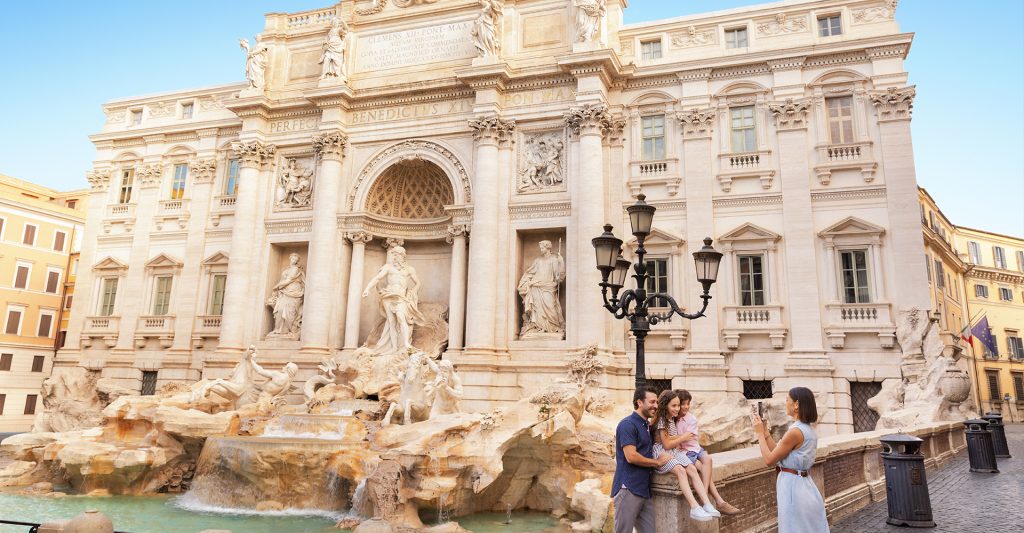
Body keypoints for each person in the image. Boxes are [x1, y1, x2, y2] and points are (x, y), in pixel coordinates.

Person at [750, 387, 829, 533]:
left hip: (793, 487)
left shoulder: (795, 432)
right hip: (803, 485)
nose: (785, 403)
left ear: (796, 404)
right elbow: (778, 452)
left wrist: (759, 433)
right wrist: (766, 432)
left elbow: (769, 460)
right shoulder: (806, 429)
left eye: (787, 400)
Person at [612, 387, 670, 533]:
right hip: (628, 488)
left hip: (645, 490)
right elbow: (631, 456)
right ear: (639, 402)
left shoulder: (646, 425)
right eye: (651, 402)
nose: (656, 406)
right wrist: (657, 462)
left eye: (657, 402)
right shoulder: (627, 424)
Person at [650, 390, 715, 521]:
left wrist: (678, 438)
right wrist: (684, 437)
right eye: (674, 406)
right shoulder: (662, 420)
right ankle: (694, 507)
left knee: (691, 468)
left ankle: (707, 503)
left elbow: (670, 438)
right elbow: (666, 444)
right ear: (665, 405)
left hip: (673, 451)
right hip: (662, 452)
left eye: (678, 405)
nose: (677, 408)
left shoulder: (671, 418)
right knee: (681, 470)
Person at [675, 390, 740, 515]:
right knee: (700, 467)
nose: (686, 407)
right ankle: (718, 501)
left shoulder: (691, 419)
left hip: (695, 449)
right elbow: (679, 441)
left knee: (708, 460)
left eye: (688, 404)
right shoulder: (672, 419)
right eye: (683, 404)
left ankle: (705, 496)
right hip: (685, 452)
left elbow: (687, 439)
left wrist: (679, 438)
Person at [363, 246, 426, 355]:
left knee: (401, 317)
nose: (394, 257)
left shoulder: (409, 269)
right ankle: (394, 347)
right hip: (388, 295)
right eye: (393, 254)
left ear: (402, 255)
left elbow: (418, 283)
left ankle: (406, 343)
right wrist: (367, 289)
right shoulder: (388, 267)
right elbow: (377, 278)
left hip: (400, 297)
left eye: (396, 254)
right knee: (391, 322)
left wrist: (413, 292)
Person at [517, 240, 566, 338]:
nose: (541, 250)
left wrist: (561, 263)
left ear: (548, 248)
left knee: (550, 306)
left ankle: (552, 327)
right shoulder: (538, 260)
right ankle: (538, 327)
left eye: (542, 248)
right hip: (536, 286)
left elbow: (559, 276)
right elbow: (530, 272)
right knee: (537, 308)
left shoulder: (554, 259)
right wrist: (525, 282)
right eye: (540, 248)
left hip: (549, 286)